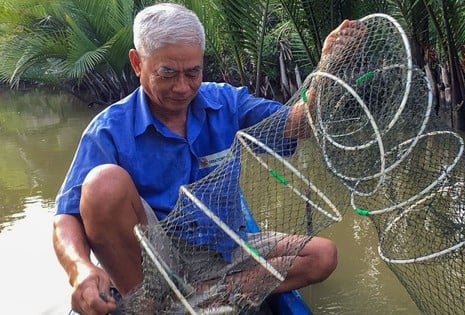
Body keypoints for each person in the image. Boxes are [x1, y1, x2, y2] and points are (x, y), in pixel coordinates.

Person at [53, 3, 365, 314]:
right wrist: (79, 268)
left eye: (193, 72)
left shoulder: (227, 102)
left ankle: (199, 298)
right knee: (102, 184)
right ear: (137, 63)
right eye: (167, 73)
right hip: (156, 261)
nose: (182, 87)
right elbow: (66, 217)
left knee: (321, 256)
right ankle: (151, 304)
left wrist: (328, 68)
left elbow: (298, 125)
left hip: (226, 244)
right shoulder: (109, 129)